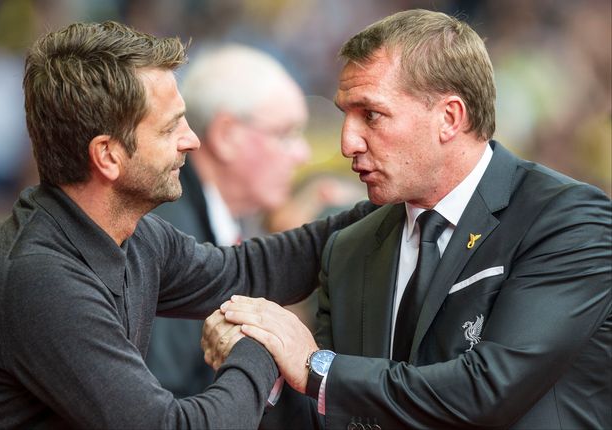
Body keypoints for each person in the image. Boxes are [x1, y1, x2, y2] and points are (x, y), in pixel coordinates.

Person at [211, 9, 612, 429]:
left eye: (371, 115)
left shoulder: (570, 222)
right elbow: (331, 412)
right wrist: (263, 359)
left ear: (450, 118)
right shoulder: (351, 246)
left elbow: (488, 390)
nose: (347, 142)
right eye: (345, 114)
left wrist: (316, 366)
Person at [0, 21, 376, 429]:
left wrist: (390, 203)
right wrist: (261, 346)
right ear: (107, 156)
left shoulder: (134, 233)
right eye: (169, 127)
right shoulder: (43, 280)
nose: (192, 140)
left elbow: (247, 271)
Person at [145, 44, 311, 398]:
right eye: (286, 134)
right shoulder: (169, 231)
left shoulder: (216, 219)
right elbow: (167, 392)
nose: (302, 154)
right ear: (225, 135)